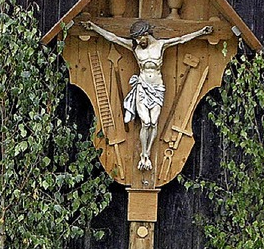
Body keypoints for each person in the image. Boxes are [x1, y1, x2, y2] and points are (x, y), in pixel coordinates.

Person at [82, 19, 213, 170]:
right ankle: (143, 155)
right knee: (146, 122)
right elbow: (113, 38)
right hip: (143, 87)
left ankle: (148, 153)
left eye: (139, 38)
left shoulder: (161, 45)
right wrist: (94, 28)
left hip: (157, 87)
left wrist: (201, 32)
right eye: (136, 39)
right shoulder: (134, 47)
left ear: (146, 34)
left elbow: (181, 39)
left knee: (153, 122)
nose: (138, 41)